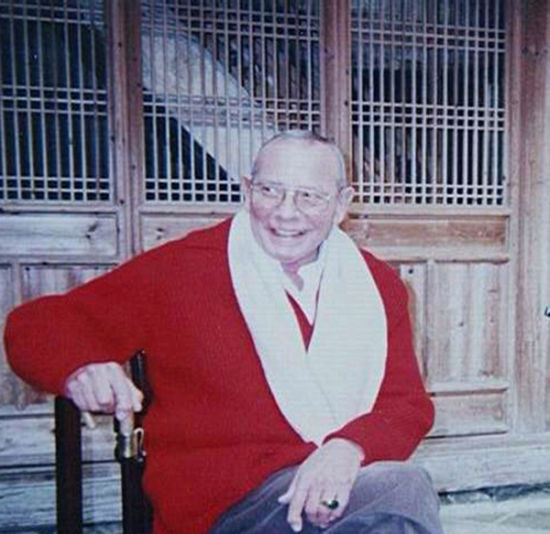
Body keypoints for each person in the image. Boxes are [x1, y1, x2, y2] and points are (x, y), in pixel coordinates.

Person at [5, 131, 443, 534]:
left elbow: (405, 405)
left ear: (342, 204)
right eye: (270, 190)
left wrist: (347, 447)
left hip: (338, 487)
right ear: (247, 189)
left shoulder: (375, 285)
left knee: (399, 495)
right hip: (227, 507)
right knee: (400, 500)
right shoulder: (183, 269)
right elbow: (36, 325)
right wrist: (80, 367)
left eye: (309, 196)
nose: (286, 212)